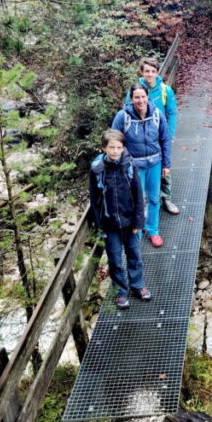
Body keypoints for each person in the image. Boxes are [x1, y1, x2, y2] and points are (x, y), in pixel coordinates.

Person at [88, 129, 150, 309]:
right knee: (115, 259)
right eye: (111, 148)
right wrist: (100, 227)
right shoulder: (97, 169)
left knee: (134, 255)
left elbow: (139, 195)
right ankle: (121, 291)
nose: (115, 151)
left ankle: (137, 285)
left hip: (130, 221)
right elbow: (95, 200)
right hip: (109, 224)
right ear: (104, 148)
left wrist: (139, 222)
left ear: (123, 148)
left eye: (118, 148)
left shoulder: (130, 166)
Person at [111, 83, 171, 247]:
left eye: (143, 96)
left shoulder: (157, 114)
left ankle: (153, 230)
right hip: (134, 165)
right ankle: (136, 229)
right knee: (136, 200)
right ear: (131, 99)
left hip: (155, 163)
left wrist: (166, 164)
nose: (140, 100)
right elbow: (114, 140)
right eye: (136, 97)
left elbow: (165, 140)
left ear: (147, 97)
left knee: (153, 199)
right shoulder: (123, 116)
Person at [124, 57, 179, 215]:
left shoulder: (164, 90)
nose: (150, 74)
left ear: (157, 72)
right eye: (147, 71)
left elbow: (172, 112)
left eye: (153, 71)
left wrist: (168, 134)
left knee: (165, 166)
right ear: (141, 72)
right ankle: (147, 201)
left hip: (160, 135)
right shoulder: (135, 91)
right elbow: (126, 111)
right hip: (140, 138)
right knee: (145, 169)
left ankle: (166, 198)